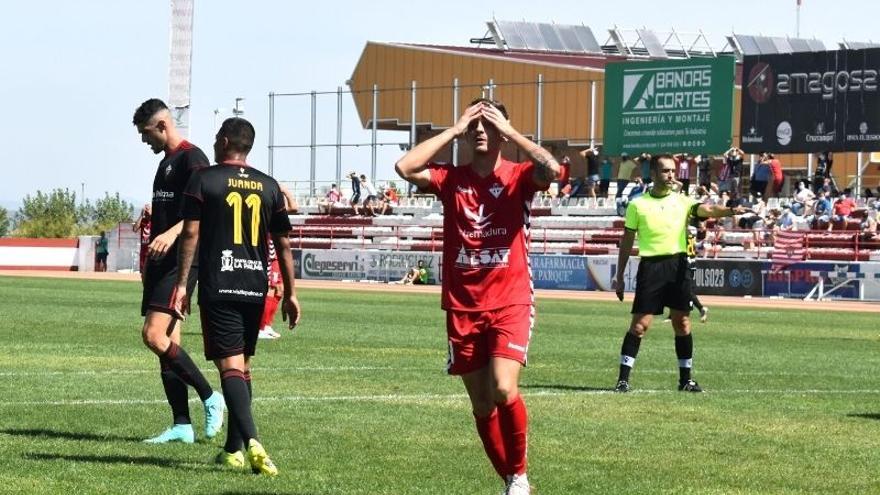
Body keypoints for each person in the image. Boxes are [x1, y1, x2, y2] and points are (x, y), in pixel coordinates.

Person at [395, 98, 562, 495]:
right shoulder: (452, 179)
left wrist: (510, 130)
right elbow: (404, 168)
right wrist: (453, 129)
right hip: (462, 305)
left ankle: (518, 476)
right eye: (475, 126)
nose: (481, 131)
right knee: (483, 405)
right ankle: (513, 481)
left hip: (511, 299)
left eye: (489, 125)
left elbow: (552, 169)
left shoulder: (520, 175)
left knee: (505, 388)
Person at [173, 117, 301, 475]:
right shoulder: (269, 185)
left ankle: (255, 442)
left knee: (229, 367)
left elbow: (189, 235)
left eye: (216, 138)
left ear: (226, 140)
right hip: (255, 287)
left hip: (220, 283)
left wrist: (182, 285)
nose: (213, 143)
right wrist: (291, 293)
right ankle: (233, 449)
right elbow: (285, 244)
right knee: (242, 366)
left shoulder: (205, 178)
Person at [613, 154, 750, 393]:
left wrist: (729, 211)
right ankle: (623, 380)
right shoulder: (637, 204)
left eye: (673, 171)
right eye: (665, 171)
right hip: (651, 267)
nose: (671, 176)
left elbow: (707, 209)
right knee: (639, 326)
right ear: (653, 174)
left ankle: (685, 380)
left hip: (678, 265)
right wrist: (620, 275)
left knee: (683, 322)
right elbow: (626, 242)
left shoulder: (682, 201)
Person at [132, 98, 225, 444]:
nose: (145, 142)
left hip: (182, 262)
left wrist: (171, 235)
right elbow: (167, 214)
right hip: (160, 264)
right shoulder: (165, 164)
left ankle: (210, 397)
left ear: (162, 126)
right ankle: (182, 425)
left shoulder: (192, 158)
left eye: (145, 134)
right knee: (167, 344)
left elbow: (206, 210)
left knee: (153, 336)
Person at [133, 203, 152, 274]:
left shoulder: (156, 220)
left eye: (148, 211)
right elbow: (135, 229)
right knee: (142, 271)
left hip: (151, 250)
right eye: (145, 212)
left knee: (151, 271)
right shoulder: (143, 221)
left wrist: (150, 213)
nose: (146, 214)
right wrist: (141, 215)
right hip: (143, 249)